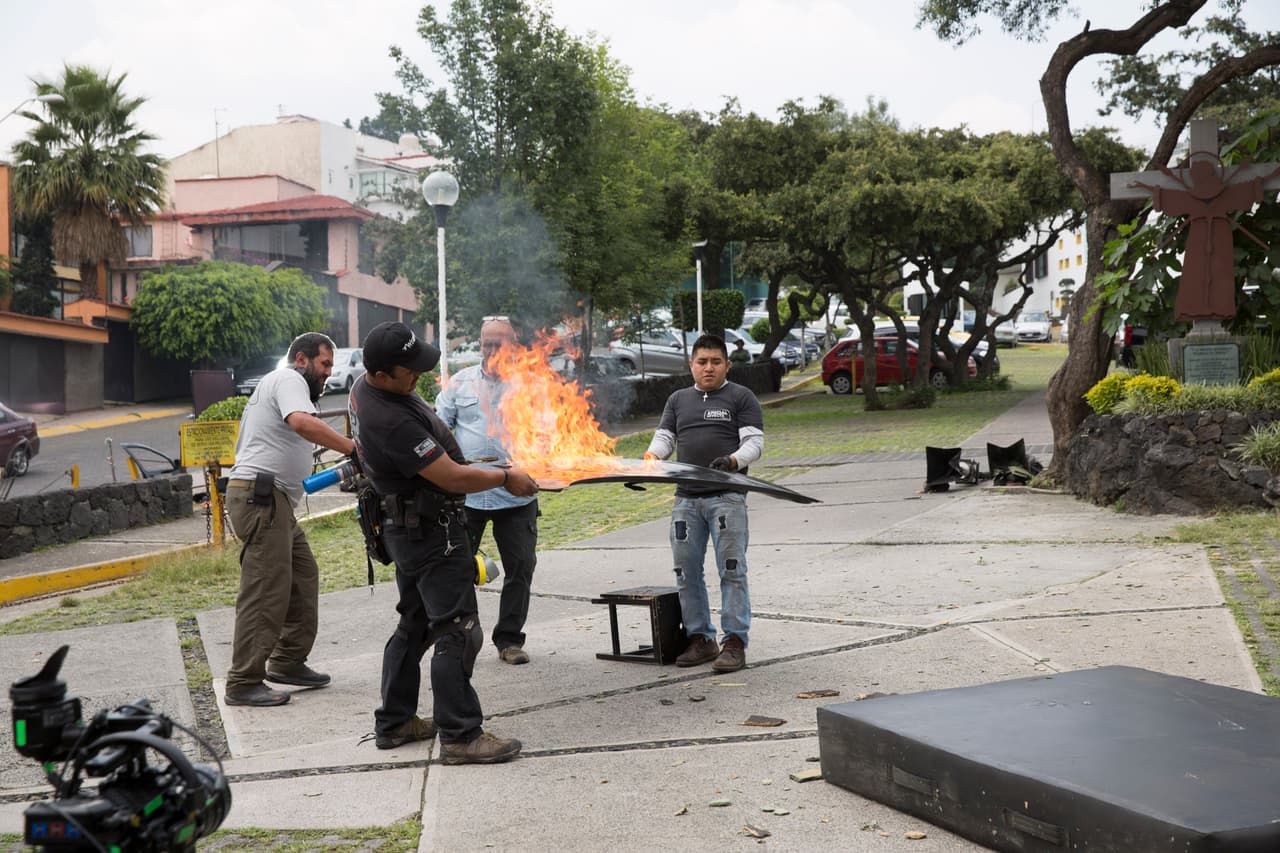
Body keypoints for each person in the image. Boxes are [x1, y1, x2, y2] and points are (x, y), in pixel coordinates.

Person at [349, 321, 539, 762]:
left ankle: (394, 722)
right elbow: (449, 476)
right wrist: (505, 477)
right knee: (458, 629)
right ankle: (460, 735)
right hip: (430, 532)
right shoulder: (388, 418)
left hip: (411, 525)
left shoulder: (370, 386)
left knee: (414, 622)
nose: (419, 376)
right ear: (381, 373)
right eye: (409, 370)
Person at [224, 333, 357, 707]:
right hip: (261, 498)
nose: (329, 374)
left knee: (302, 576)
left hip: (274, 500)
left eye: (331, 366)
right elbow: (300, 422)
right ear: (302, 359)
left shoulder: (289, 384)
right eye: (325, 364)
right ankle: (242, 681)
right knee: (267, 588)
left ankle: (286, 660)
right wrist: (352, 448)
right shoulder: (289, 379)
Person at [644, 334, 764, 673]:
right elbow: (665, 436)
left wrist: (732, 462)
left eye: (715, 361)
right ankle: (700, 638)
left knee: (732, 570)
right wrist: (653, 455)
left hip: (727, 497)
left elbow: (754, 442)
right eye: (702, 361)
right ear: (691, 365)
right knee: (686, 572)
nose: (708, 367)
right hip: (686, 500)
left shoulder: (741, 396)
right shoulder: (678, 399)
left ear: (727, 364)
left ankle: (735, 641)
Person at [435, 317, 538, 665]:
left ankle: (509, 640)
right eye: (486, 344)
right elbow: (438, 428)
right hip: (469, 494)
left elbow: (548, 433)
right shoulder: (460, 383)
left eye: (500, 344)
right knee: (458, 568)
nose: (492, 350)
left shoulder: (533, 385)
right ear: (479, 344)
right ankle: (465, 635)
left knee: (521, 567)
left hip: (517, 494)